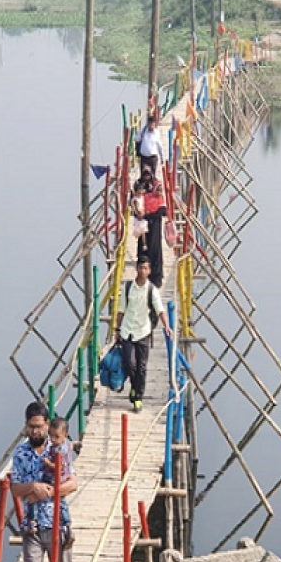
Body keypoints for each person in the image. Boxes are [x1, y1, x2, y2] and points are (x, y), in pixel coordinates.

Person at [11, 402, 77, 562]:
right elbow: (15, 489)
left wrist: (48, 492)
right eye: (31, 426)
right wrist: (33, 487)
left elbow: (72, 484)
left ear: (47, 424)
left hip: (57, 525)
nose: (35, 431)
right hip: (32, 528)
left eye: (39, 426)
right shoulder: (20, 453)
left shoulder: (59, 448)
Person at [115, 256, 172, 412]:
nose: (143, 271)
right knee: (130, 363)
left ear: (149, 271)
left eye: (146, 269)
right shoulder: (127, 287)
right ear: (136, 269)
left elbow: (160, 309)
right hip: (127, 331)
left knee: (142, 367)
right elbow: (121, 310)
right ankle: (134, 387)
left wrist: (167, 326)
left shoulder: (151, 290)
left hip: (143, 331)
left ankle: (138, 397)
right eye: (141, 268)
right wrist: (117, 329)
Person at [24, 416, 74, 549]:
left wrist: (48, 463)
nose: (52, 439)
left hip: (55, 478)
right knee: (60, 502)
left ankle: (32, 521)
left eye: (56, 437)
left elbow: (60, 466)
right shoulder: (64, 445)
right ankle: (66, 526)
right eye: (51, 436)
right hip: (56, 477)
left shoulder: (60, 449)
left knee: (35, 493)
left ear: (65, 435)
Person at [134, 165, 167, 288]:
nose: (147, 177)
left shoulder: (156, 190)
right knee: (143, 250)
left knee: (155, 250)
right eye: (145, 175)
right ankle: (142, 276)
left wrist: (150, 214)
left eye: (148, 175)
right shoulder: (139, 188)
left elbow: (164, 210)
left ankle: (156, 277)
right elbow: (134, 205)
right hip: (143, 227)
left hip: (155, 225)